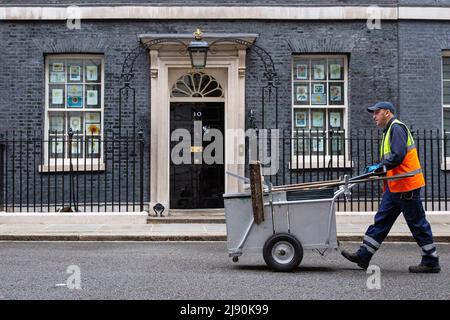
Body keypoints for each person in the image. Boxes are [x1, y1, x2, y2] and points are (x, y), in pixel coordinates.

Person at [341, 101, 441, 273]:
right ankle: (363, 256)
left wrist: (379, 167)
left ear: (387, 113)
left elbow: (398, 156)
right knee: (381, 222)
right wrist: (380, 169)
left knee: (417, 224)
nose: (374, 116)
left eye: (376, 112)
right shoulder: (389, 131)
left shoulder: (396, 128)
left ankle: (431, 261)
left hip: (407, 187)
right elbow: (393, 159)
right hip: (395, 188)